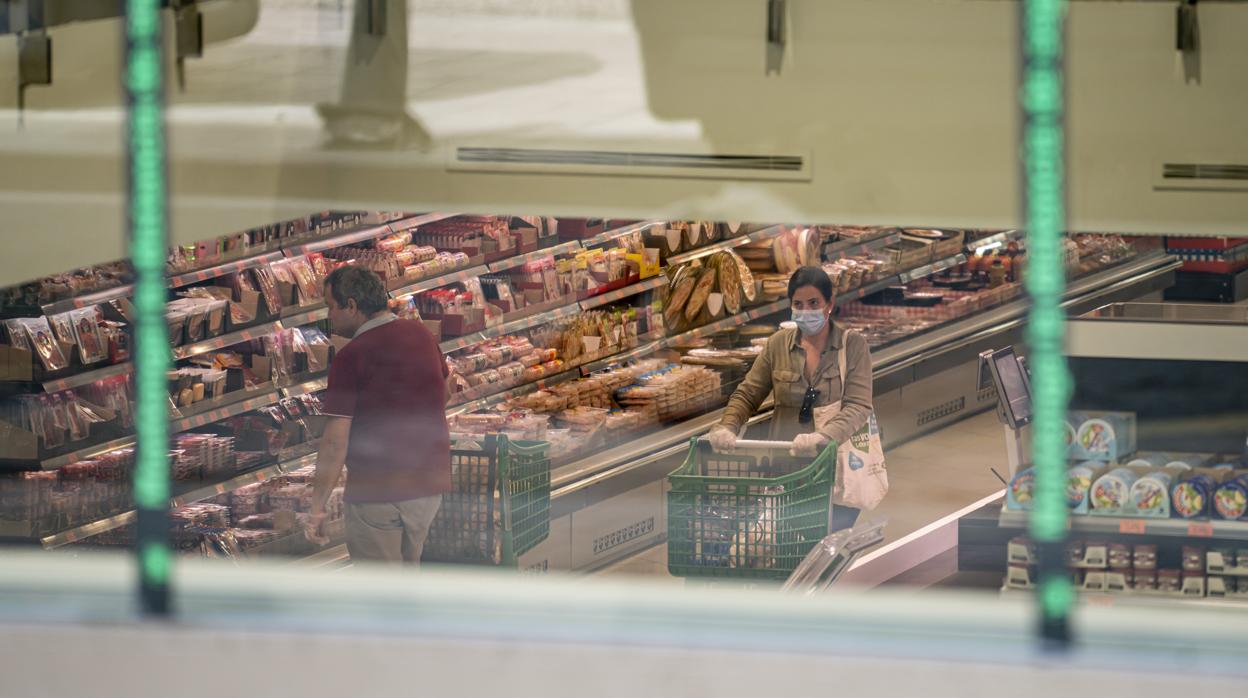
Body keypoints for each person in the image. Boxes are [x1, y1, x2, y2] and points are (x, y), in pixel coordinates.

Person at [707, 266, 874, 530]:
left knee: (823, 550)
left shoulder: (852, 346)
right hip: (784, 470)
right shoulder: (778, 345)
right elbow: (748, 393)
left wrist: (823, 437)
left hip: (834, 471)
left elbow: (858, 405)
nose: (806, 311)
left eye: (814, 303)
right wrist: (728, 425)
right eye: (798, 304)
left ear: (830, 304)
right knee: (784, 550)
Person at [306, 265, 451, 564]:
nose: (329, 315)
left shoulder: (352, 355)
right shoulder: (421, 334)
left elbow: (335, 442)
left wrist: (318, 506)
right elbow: (445, 393)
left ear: (351, 306)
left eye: (330, 307)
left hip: (378, 492)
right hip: (428, 488)